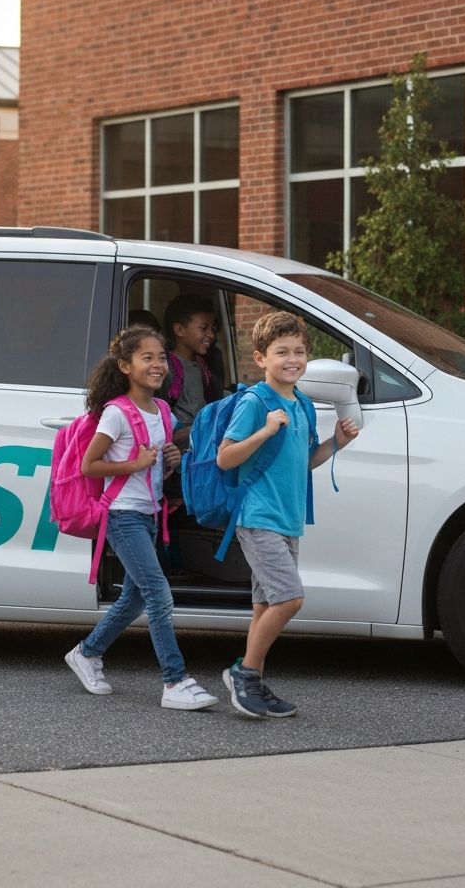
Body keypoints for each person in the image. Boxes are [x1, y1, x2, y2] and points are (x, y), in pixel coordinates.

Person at [64, 324, 219, 711]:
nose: (157, 365)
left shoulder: (163, 411)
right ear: (125, 366)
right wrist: (136, 462)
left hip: (150, 514)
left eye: (162, 357)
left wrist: (169, 463)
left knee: (134, 597)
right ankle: (175, 680)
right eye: (146, 358)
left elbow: (155, 468)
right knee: (158, 594)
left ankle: (87, 652)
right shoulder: (117, 413)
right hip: (121, 516)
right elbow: (89, 466)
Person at [217, 311, 359, 718]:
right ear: (262, 359)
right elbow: (225, 458)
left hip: (288, 519)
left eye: (299, 351)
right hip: (257, 517)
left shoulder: (303, 406)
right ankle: (242, 673)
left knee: (265, 606)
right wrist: (263, 430)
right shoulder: (254, 402)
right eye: (282, 352)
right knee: (290, 598)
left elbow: (302, 463)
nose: (292, 359)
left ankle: (252, 681)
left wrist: (337, 442)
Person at [161, 294, 220, 450]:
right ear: (180, 330)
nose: (211, 335)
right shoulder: (165, 368)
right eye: (203, 328)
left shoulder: (202, 366)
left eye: (212, 329)